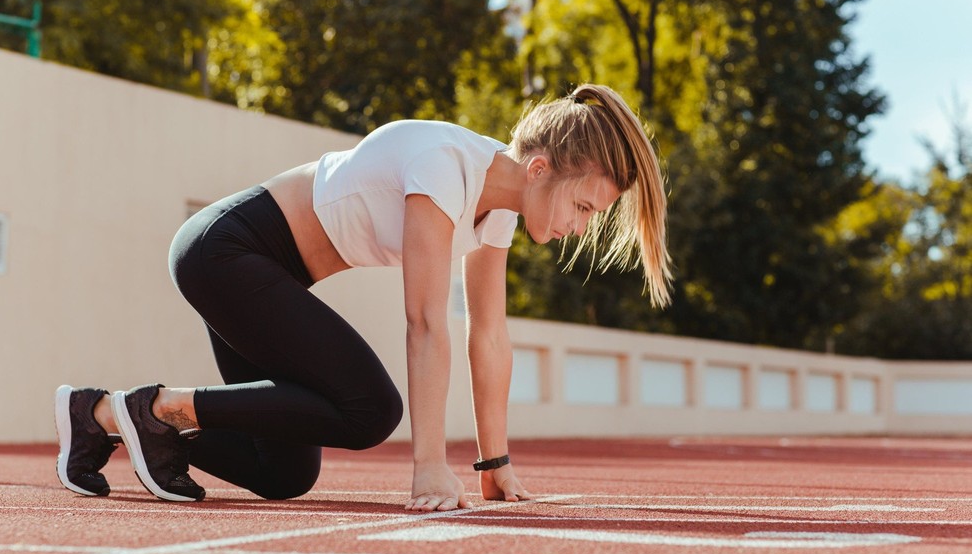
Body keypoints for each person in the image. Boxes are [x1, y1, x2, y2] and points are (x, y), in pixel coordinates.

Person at [54, 83, 672, 511]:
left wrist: (493, 463)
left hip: (265, 273)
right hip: (228, 251)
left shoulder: (499, 210)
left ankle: (105, 417)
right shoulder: (445, 168)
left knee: (284, 473)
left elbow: (487, 334)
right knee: (372, 409)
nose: (579, 226)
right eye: (583, 206)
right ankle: (156, 409)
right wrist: (429, 464)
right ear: (540, 170)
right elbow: (425, 323)